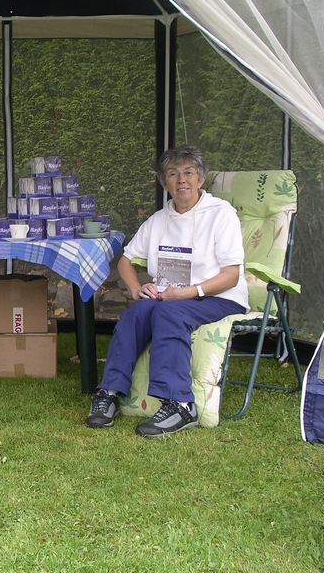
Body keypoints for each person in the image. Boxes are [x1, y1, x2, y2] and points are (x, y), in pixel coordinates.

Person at [86, 145, 249, 437]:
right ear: (164, 182)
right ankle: (108, 392)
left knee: (169, 312)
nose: (181, 180)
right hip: (168, 299)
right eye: (173, 174)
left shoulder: (220, 214)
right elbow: (125, 260)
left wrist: (187, 292)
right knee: (136, 314)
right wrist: (137, 289)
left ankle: (181, 404)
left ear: (201, 178)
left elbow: (231, 276)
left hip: (219, 297)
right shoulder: (159, 220)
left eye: (189, 173)